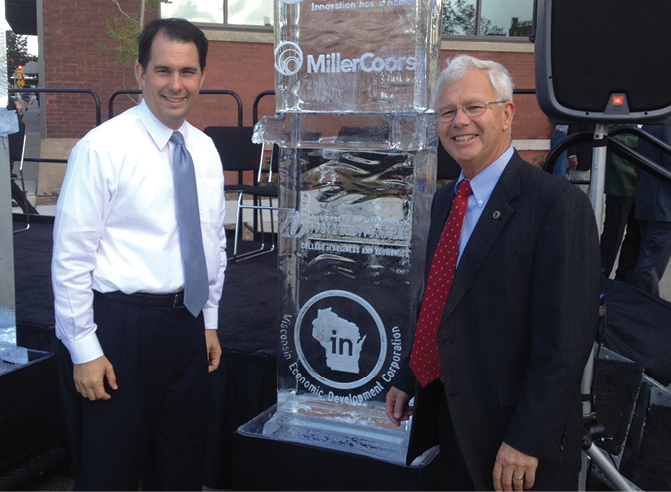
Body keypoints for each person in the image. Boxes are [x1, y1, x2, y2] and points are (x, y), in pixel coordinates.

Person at [385, 55, 600, 492]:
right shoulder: (447, 201)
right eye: (447, 112)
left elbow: (567, 340)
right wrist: (410, 374)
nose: (459, 121)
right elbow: (441, 298)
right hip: (452, 422)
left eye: (473, 107)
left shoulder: (557, 205)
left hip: (515, 445)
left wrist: (527, 438)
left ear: (506, 113)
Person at [52, 18, 226, 492]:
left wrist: (208, 319)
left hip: (187, 328)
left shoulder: (205, 151)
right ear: (139, 72)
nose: (176, 84)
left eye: (188, 71)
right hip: (122, 329)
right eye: (163, 70)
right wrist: (83, 350)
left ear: (202, 76)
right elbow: (70, 257)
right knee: (111, 471)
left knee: (181, 468)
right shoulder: (102, 148)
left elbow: (212, 243)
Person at [631, 120, 671, 296]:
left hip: (648, 201)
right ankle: (642, 306)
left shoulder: (649, 124)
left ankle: (646, 304)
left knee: (648, 258)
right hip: (663, 207)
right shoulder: (667, 126)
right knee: (651, 264)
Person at [600, 125, 640, 282]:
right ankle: (600, 277)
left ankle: (624, 279)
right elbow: (608, 132)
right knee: (613, 233)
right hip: (620, 179)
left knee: (636, 235)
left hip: (643, 179)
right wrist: (642, 142)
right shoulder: (623, 104)